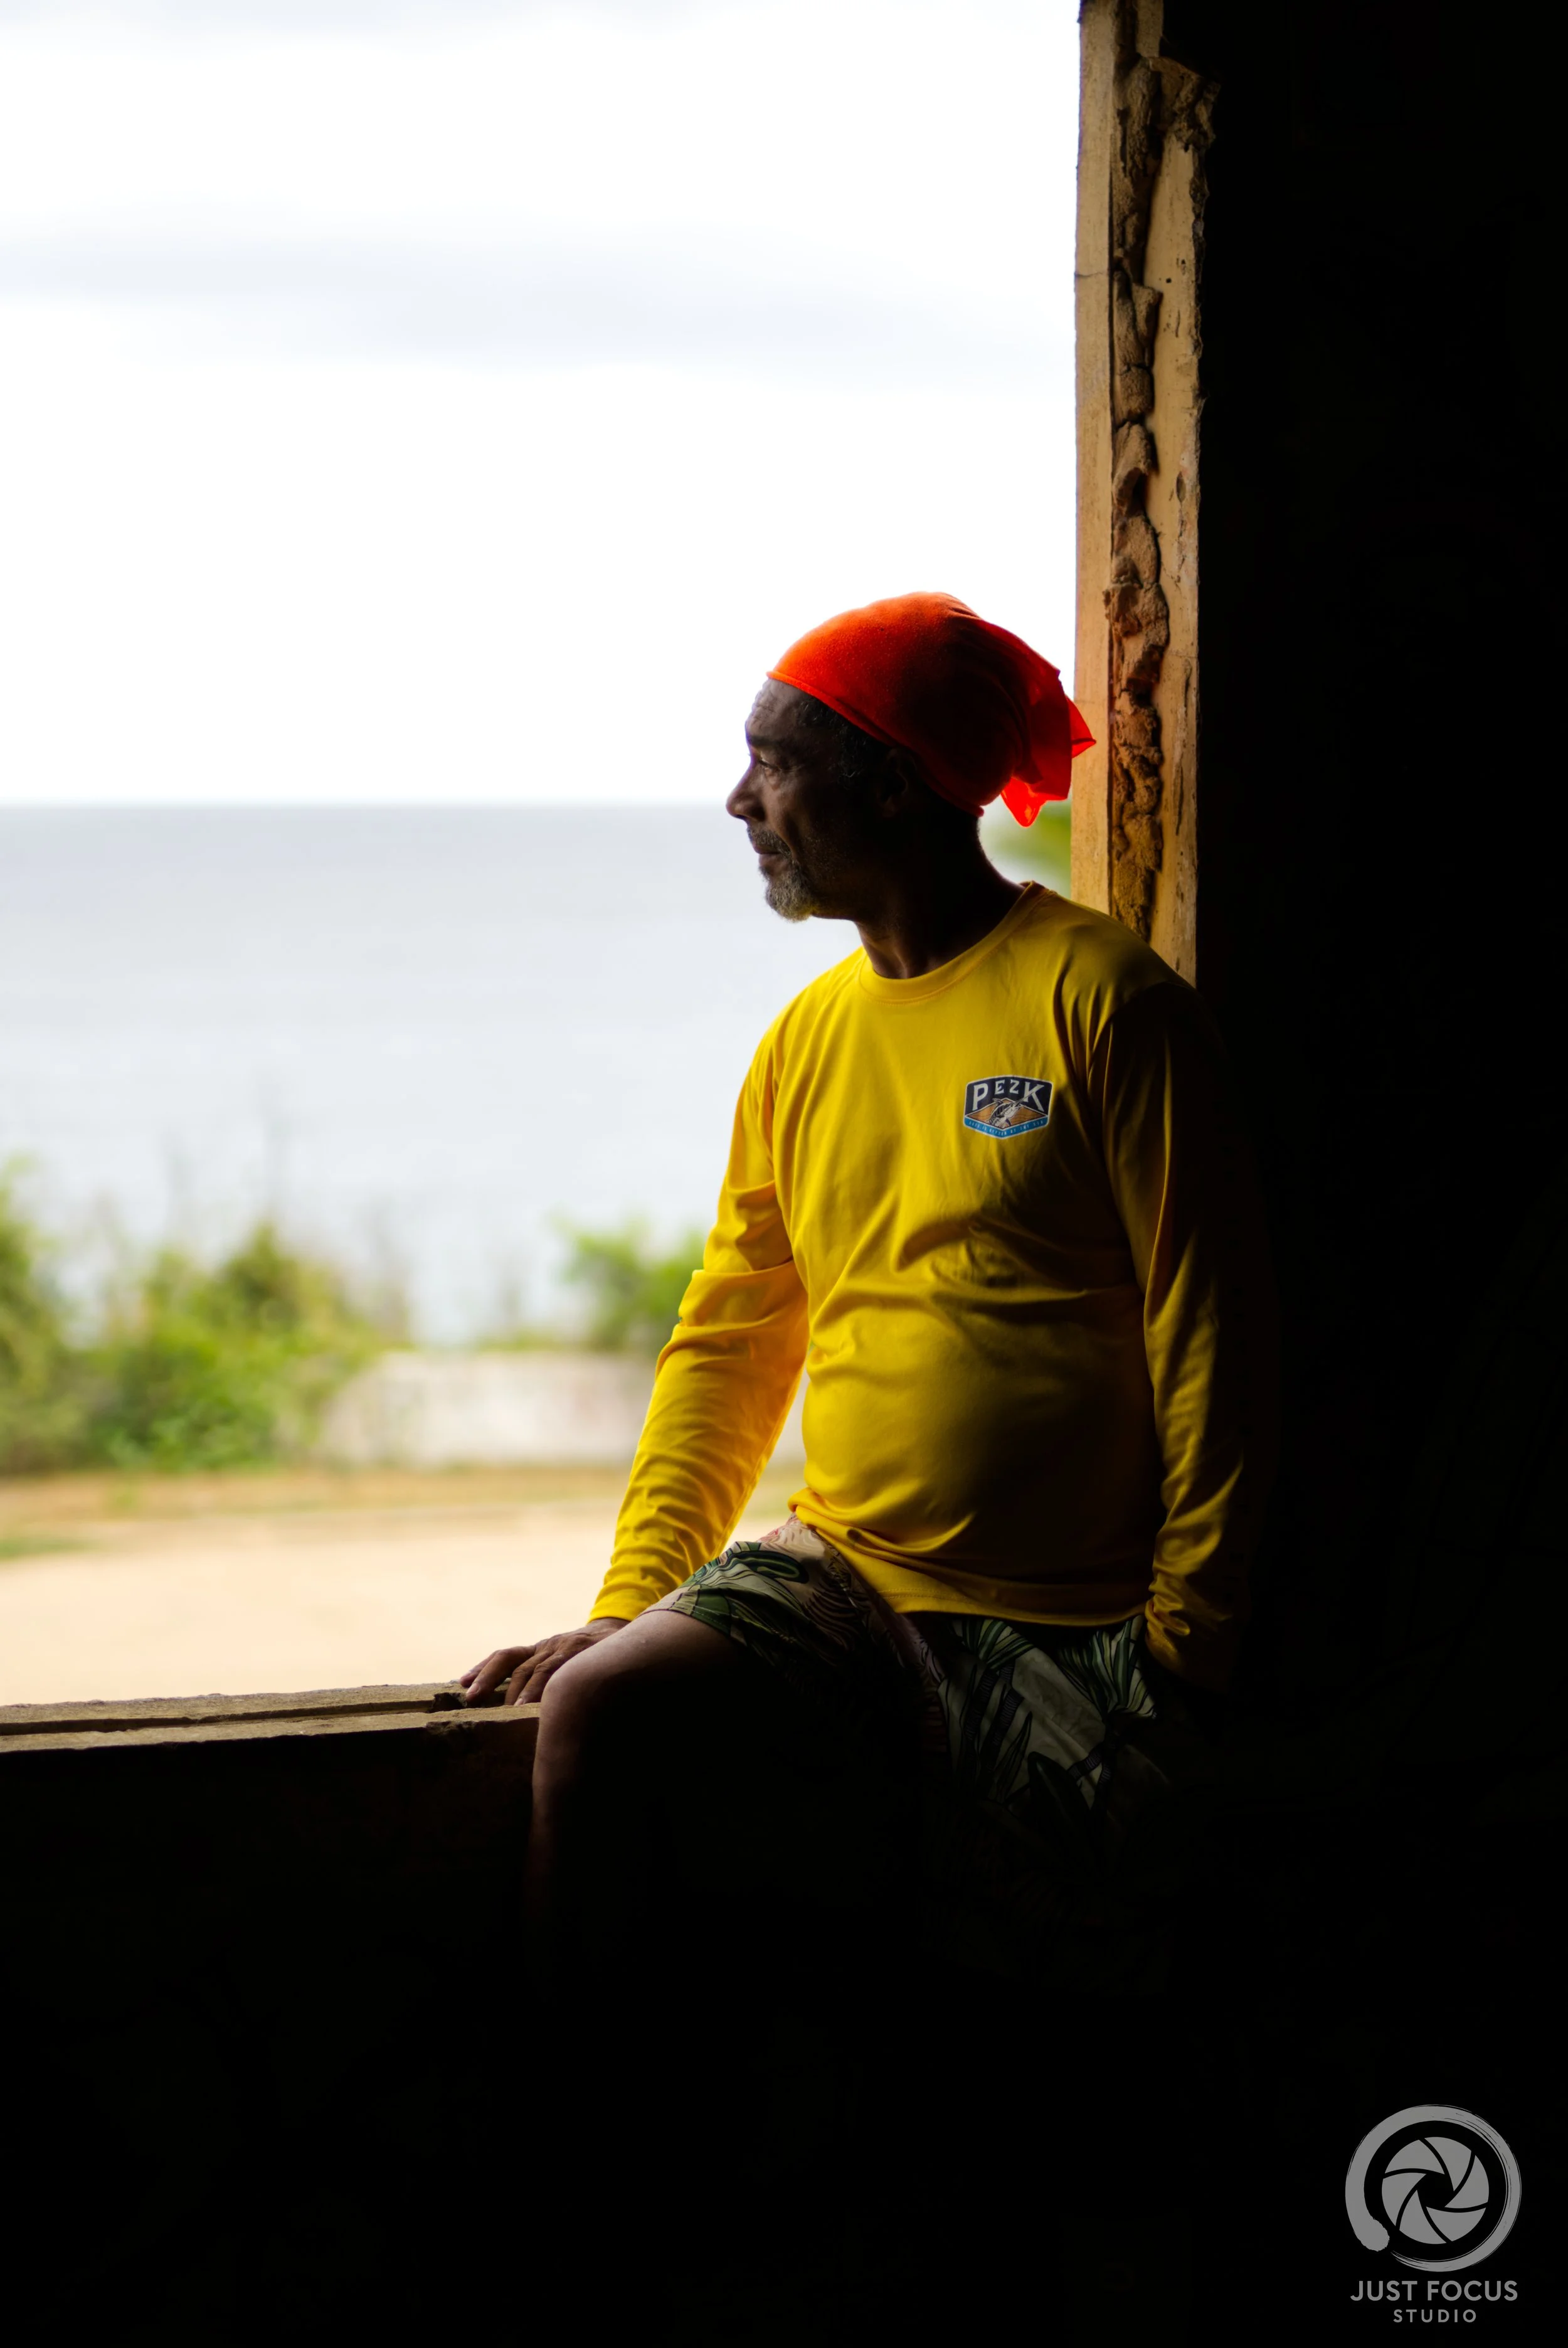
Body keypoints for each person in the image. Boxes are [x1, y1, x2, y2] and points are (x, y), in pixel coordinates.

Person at [462, 589, 1276, 1990]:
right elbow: (728, 1339)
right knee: (596, 1703)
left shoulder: (1104, 1002)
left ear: (889, 784)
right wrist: (635, 1594)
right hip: (842, 1578)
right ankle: (574, 2162)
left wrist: (1188, 1656)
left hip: (1071, 1619)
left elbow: (1213, 1337)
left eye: (771, 761)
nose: (738, 800)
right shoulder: (807, 1039)